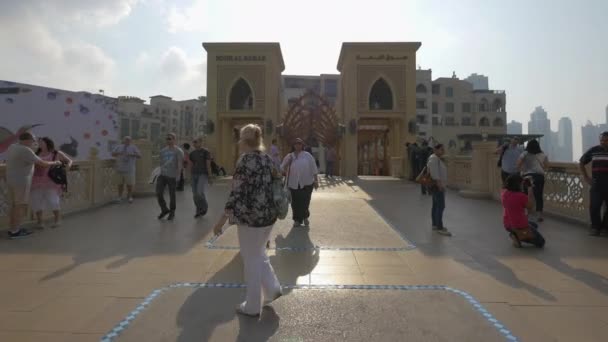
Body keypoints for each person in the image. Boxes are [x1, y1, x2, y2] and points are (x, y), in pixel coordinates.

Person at [213, 123, 282, 317]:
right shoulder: (267, 159)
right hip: (269, 216)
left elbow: (236, 193)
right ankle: (272, 288)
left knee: (250, 259)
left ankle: (252, 306)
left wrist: (221, 221)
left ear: (243, 141)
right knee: (258, 253)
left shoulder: (245, 161)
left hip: (250, 219)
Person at [5, 132, 61, 239]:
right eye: (34, 140)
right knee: (20, 206)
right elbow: (43, 164)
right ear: (29, 140)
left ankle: (12, 229)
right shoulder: (25, 150)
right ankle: (15, 231)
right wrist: (55, 163)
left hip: (11, 180)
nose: (35, 143)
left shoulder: (13, 147)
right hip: (21, 182)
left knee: (14, 206)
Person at [31, 137, 72, 229]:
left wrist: (67, 168)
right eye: (39, 143)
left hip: (51, 181)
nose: (39, 144)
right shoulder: (35, 153)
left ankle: (57, 219)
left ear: (47, 143)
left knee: (53, 201)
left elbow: (69, 160)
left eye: (41, 142)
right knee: (37, 202)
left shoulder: (56, 153)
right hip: (36, 180)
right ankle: (40, 222)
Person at [281, 138, 319, 228]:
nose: (298, 145)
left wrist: (316, 180)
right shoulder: (289, 156)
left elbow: (314, 168)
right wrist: (287, 163)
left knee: (305, 202)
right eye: (296, 144)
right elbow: (282, 168)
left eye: (299, 144)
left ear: (302, 145)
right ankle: (297, 220)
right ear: (293, 145)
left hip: (307, 182)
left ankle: (305, 217)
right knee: (295, 203)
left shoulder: (307, 155)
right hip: (293, 183)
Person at [501, 174, 546, 248]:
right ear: (518, 185)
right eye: (521, 184)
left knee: (534, 225)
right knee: (541, 242)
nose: (522, 185)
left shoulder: (504, 193)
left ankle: (515, 234)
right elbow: (531, 207)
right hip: (520, 225)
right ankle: (518, 236)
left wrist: (521, 179)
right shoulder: (521, 196)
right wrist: (530, 188)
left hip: (507, 224)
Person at [580, 131, 608, 236]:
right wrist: (586, 177)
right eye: (602, 140)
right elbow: (582, 162)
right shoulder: (594, 150)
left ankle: (605, 228)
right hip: (596, 184)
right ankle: (595, 227)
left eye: (606, 140)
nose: (603, 142)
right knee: (594, 206)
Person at [517, 139, 549, 222]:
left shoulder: (525, 153)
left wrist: (523, 170)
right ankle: (539, 215)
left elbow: (518, 164)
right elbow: (546, 166)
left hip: (527, 176)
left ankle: (527, 213)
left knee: (526, 195)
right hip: (539, 177)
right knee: (539, 195)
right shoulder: (543, 155)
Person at [156, 133, 184, 221]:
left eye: (170, 138)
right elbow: (160, 162)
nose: (168, 140)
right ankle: (164, 209)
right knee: (158, 193)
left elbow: (180, 164)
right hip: (162, 175)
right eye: (167, 139)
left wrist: (178, 175)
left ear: (174, 140)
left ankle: (172, 212)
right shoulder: (162, 151)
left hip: (172, 176)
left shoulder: (178, 151)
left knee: (172, 195)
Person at [427, 143, 452, 236]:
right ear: (435, 150)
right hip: (437, 186)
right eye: (441, 149)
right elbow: (434, 174)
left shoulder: (436, 159)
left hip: (437, 185)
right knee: (440, 206)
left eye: (443, 149)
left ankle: (435, 224)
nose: (443, 151)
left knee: (436, 205)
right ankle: (439, 227)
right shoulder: (434, 159)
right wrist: (440, 185)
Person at [111, 136, 141, 203]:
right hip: (119, 168)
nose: (127, 141)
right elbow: (112, 154)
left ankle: (130, 197)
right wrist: (119, 153)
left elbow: (139, 156)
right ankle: (119, 197)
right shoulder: (119, 147)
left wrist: (132, 154)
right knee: (120, 184)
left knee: (129, 184)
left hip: (129, 169)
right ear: (123, 140)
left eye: (128, 140)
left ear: (130, 141)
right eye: (126, 140)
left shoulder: (133, 147)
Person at [189, 137, 212, 218]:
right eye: (193, 142)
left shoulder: (206, 152)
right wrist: (189, 176)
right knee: (195, 194)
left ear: (201, 142)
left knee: (199, 192)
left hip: (203, 174)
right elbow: (191, 165)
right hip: (193, 175)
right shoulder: (192, 153)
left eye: (196, 142)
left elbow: (208, 164)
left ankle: (204, 207)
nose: (194, 143)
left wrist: (210, 176)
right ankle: (199, 209)